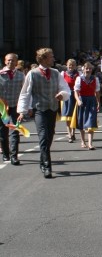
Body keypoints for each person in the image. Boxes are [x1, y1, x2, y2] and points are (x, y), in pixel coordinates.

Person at [17, 48, 71, 178]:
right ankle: (47, 167)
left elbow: (65, 88)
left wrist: (61, 95)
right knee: (43, 136)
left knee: (50, 135)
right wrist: (22, 111)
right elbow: (25, 93)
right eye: (51, 57)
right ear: (44, 58)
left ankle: (42, 160)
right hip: (39, 109)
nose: (53, 58)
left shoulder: (56, 72)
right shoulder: (32, 73)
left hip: (52, 108)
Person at [0, 53, 24, 164]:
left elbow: (24, 92)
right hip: (2, 108)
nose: (11, 62)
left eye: (13, 60)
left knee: (15, 130)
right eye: (9, 60)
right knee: (3, 131)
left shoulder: (20, 75)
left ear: (16, 62)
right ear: (5, 61)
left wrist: (25, 107)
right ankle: (6, 153)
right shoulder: (0, 74)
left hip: (16, 106)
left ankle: (14, 156)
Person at [73, 62, 101, 150]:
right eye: (87, 68)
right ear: (83, 69)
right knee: (81, 121)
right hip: (82, 100)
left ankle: (90, 143)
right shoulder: (79, 79)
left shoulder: (95, 79)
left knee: (91, 121)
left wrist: (98, 102)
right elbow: (76, 92)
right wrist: (78, 100)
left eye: (90, 69)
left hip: (92, 100)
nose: (88, 70)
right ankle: (82, 141)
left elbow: (97, 92)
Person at [60, 58, 79, 144]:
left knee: (74, 115)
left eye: (73, 65)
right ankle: (69, 134)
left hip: (75, 95)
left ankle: (73, 133)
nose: (71, 66)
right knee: (67, 115)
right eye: (69, 65)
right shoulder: (63, 74)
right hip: (67, 96)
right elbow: (60, 84)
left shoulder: (78, 74)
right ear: (66, 65)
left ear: (75, 66)